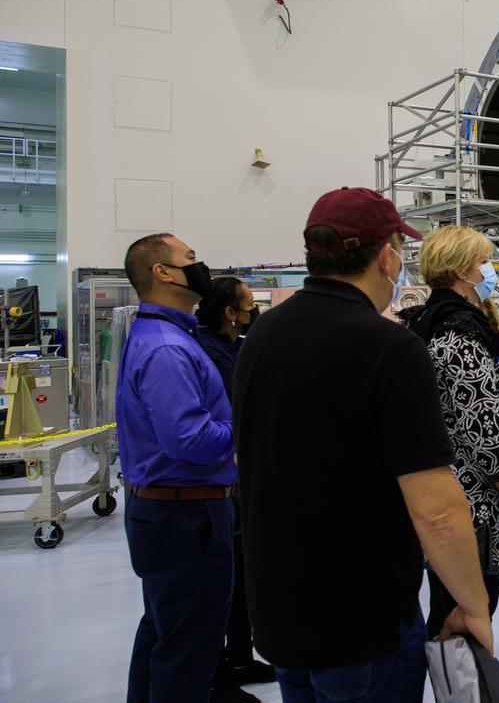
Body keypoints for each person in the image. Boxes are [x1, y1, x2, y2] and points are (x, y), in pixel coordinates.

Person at [232, 187, 494, 703]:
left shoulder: (261, 337)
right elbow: (437, 509)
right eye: (399, 247)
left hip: (281, 612)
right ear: (385, 255)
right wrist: (473, 604)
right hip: (362, 623)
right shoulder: (390, 349)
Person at [117, 233, 236, 703]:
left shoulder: (163, 335)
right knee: (189, 650)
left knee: (165, 634)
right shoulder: (168, 348)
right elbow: (188, 440)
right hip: (186, 516)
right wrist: (243, 432)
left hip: (170, 511)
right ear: (162, 273)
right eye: (190, 258)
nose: (200, 265)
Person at [406, 225, 499, 640]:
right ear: (461, 271)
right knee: (465, 614)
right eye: (482, 262)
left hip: (449, 491)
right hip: (475, 501)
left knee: (450, 606)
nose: (488, 270)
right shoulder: (459, 336)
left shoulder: (430, 323)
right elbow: (485, 429)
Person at [194, 278, 275, 701]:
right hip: (222, 475)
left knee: (243, 573)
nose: (254, 308)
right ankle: (214, 672)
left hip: (244, 473)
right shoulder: (203, 349)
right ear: (230, 310)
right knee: (221, 580)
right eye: (249, 302)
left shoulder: (235, 344)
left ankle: (241, 656)